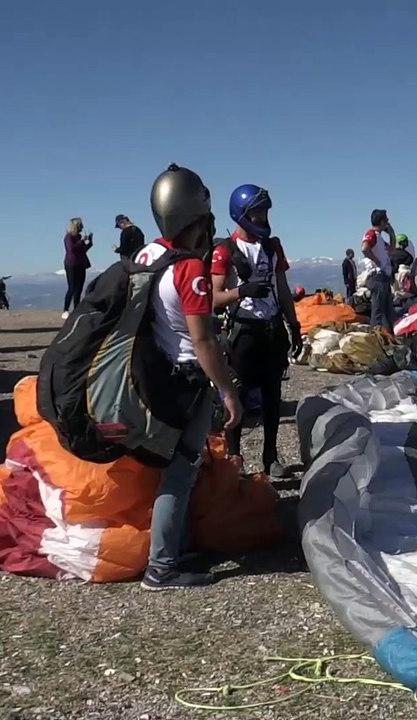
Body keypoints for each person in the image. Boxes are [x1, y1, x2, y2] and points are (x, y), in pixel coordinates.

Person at [133, 163, 242, 590]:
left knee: (168, 468)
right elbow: (203, 340)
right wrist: (227, 390)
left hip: (152, 376)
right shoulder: (189, 267)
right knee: (181, 471)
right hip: (185, 382)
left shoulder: (146, 256)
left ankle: (175, 545)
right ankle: (161, 567)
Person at [210, 183, 302, 479]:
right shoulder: (225, 251)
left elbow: (282, 288)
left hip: (271, 330)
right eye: (256, 213)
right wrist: (241, 291)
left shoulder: (272, 247)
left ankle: (270, 457)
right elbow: (213, 297)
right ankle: (234, 460)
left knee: (272, 396)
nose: (262, 217)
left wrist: (294, 325)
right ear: (241, 214)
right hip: (243, 333)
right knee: (236, 396)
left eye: (264, 212)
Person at [361, 209, 398, 332]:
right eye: (386, 220)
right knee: (378, 313)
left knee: (387, 312)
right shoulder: (372, 234)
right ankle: (376, 336)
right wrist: (376, 261)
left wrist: (391, 234)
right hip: (377, 277)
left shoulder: (379, 239)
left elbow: (391, 249)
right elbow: (364, 248)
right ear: (382, 222)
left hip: (383, 278)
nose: (387, 223)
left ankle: (388, 335)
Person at [62, 217, 93, 319]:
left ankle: (76, 309)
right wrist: (81, 241)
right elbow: (72, 249)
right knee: (72, 287)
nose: (82, 227)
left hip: (81, 264)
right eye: (80, 225)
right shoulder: (68, 237)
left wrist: (89, 242)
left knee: (79, 288)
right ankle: (66, 309)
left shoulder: (78, 237)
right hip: (71, 264)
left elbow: (82, 250)